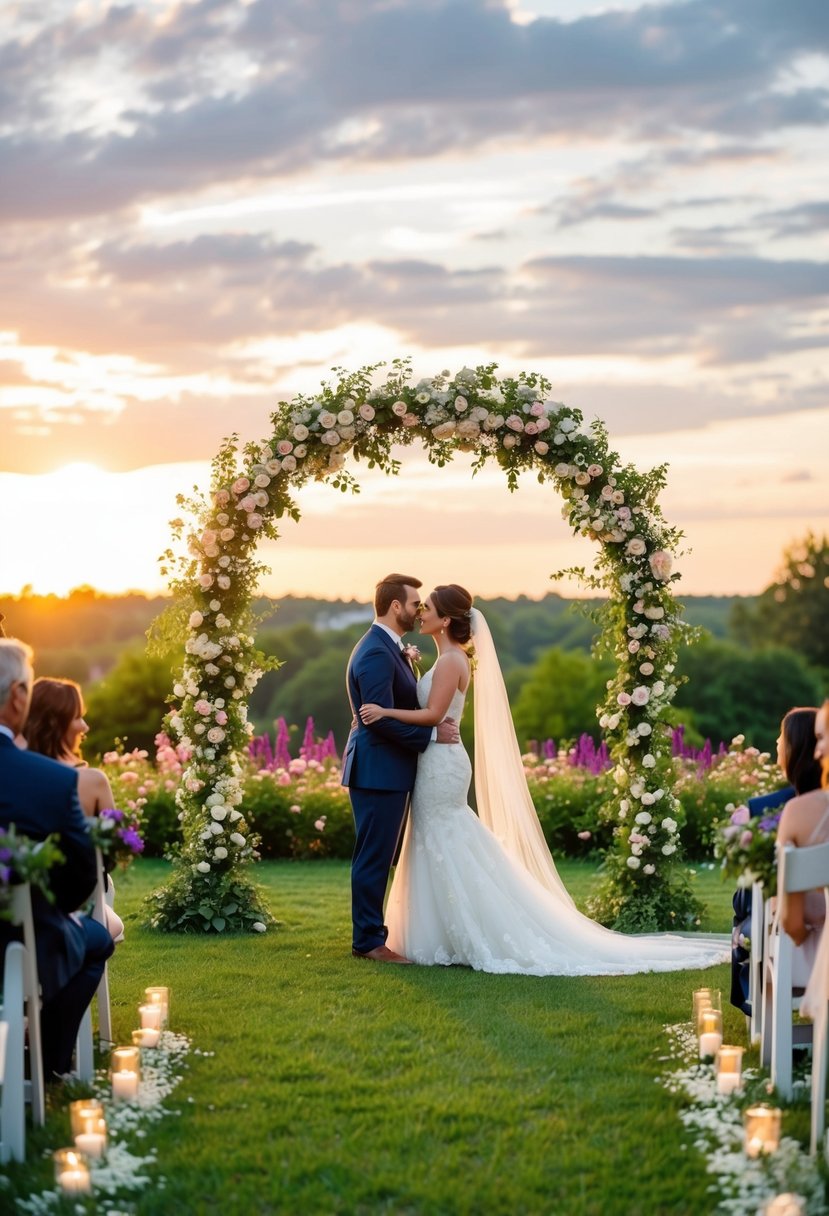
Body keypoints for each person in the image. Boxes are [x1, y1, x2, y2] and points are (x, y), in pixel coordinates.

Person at [359, 586, 729, 975]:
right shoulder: (445, 658)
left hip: (441, 763)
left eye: (428, 608)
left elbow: (435, 716)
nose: (421, 614)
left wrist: (385, 711)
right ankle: (438, 935)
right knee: (438, 836)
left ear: (446, 619)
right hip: (435, 760)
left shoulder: (452, 661)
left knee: (444, 835)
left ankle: (476, 931)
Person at [0, 639, 114, 1080]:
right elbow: (82, 875)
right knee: (96, 940)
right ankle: (44, 1064)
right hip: (18, 940)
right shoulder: (48, 781)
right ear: (17, 697)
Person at [342, 574, 459, 964]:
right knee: (374, 856)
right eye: (414, 603)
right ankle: (369, 943)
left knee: (378, 855)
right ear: (396, 606)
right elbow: (376, 719)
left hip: (386, 769)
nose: (418, 609)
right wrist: (429, 738)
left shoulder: (388, 647)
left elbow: (380, 711)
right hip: (378, 771)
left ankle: (371, 936)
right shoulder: (376, 651)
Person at [730, 707, 822, 1013]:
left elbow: (791, 923)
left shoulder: (796, 812)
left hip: (807, 957)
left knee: (756, 915)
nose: (777, 743)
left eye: (782, 737)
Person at [23, 677, 125, 941]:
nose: (85, 726)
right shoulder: (92, 781)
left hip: (17, 897)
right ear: (57, 724)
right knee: (112, 928)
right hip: (77, 903)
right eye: (78, 717)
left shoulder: (16, 774)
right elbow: (109, 856)